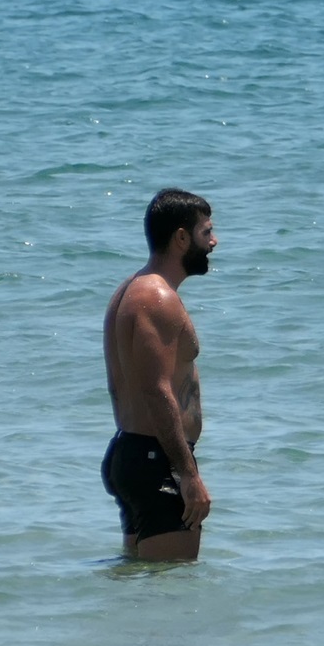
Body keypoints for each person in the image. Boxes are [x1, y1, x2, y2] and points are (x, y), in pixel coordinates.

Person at [101, 188, 216, 560]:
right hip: (157, 461)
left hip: (135, 454)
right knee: (173, 595)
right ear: (181, 237)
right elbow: (156, 390)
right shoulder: (157, 298)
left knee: (144, 588)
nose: (214, 242)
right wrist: (187, 474)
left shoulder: (129, 290)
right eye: (205, 232)